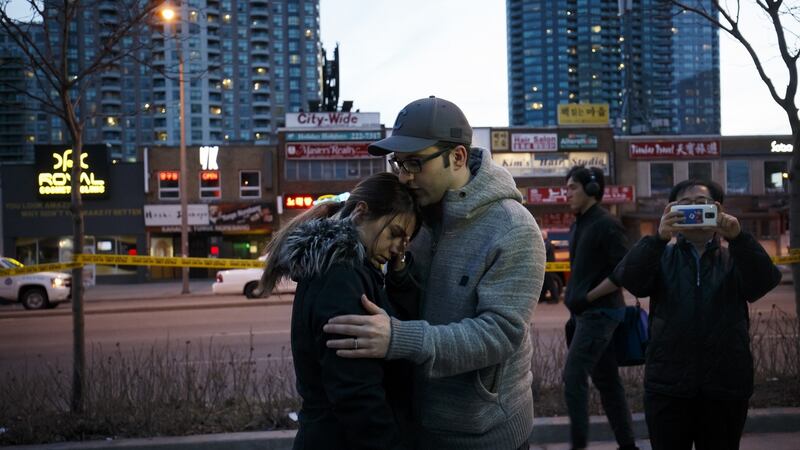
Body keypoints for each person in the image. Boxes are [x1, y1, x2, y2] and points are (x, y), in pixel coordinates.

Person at [321, 96, 545, 449]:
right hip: (415, 427)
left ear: (456, 157)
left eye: (414, 163)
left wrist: (400, 339)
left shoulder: (513, 229)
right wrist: (398, 275)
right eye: (398, 163)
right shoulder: (416, 216)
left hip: (485, 435)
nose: (404, 177)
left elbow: (500, 334)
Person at [610, 179, 782, 450]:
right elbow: (630, 279)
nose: (694, 211)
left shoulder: (735, 256)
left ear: (718, 210)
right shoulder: (662, 256)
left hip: (726, 386)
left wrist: (739, 238)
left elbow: (763, 282)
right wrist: (657, 239)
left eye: (702, 205)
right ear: (672, 211)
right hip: (668, 387)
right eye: (686, 205)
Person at [260, 172, 422, 450]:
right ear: (361, 212)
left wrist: (399, 275)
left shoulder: (352, 269)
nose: (397, 249)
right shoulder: (341, 277)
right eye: (395, 234)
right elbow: (356, 392)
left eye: (406, 241)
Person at [562, 165, 638, 450]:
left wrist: (589, 296)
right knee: (608, 383)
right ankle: (628, 445)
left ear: (592, 190)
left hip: (601, 313)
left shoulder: (606, 224)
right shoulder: (579, 224)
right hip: (585, 315)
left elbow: (625, 269)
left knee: (573, 376)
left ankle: (578, 446)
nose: (566, 193)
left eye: (572, 188)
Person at [540, 229, 560, 303]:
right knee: (545, 282)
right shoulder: (546, 243)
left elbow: (544, 252)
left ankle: (555, 299)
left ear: (543, 236)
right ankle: (542, 298)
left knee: (551, 283)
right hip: (546, 267)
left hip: (549, 267)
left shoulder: (548, 244)